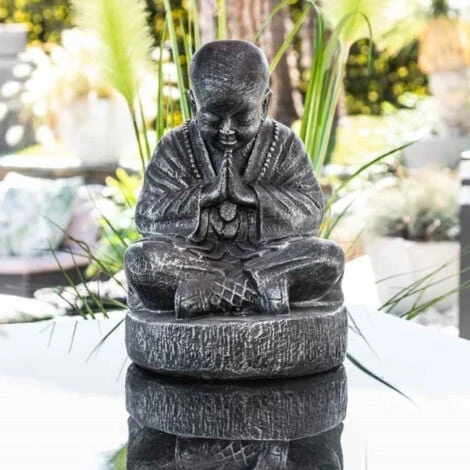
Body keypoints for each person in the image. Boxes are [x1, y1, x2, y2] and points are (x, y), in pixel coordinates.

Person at [125, 40, 344, 319]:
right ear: (193, 104)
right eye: (213, 119)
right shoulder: (175, 146)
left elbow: (311, 211)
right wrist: (206, 196)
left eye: (242, 118)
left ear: (264, 104)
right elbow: (148, 215)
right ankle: (253, 295)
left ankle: (214, 295)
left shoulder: (284, 143)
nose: (227, 130)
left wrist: (252, 196)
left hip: (267, 260)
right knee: (142, 260)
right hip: (195, 261)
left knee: (327, 257)